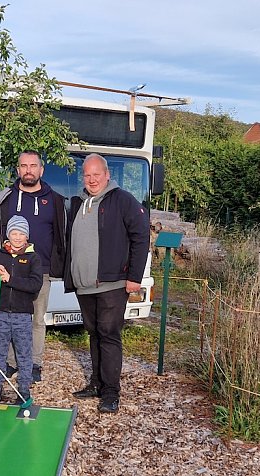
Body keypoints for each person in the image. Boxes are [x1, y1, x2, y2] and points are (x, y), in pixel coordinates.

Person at [66, 154, 150, 414]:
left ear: (106, 175)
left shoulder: (123, 200)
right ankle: (97, 384)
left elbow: (141, 236)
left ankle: (112, 392)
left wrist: (134, 277)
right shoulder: (78, 202)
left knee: (109, 335)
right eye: (87, 175)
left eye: (96, 174)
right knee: (94, 334)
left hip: (112, 283)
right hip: (85, 285)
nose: (92, 179)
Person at [0, 150, 66, 383]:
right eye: (24, 166)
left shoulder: (55, 200)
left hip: (39, 271)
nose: (28, 170)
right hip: (8, 270)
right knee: (9, 317)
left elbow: (61, 234)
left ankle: (33, 363)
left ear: (41, 170)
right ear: (18, 170)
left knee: (35, 320)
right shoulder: (4, 198)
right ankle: (12, 363)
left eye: (33, 166)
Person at [0, 215, 42, 405]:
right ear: (8, 235)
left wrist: (11, 280)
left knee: (23, 353)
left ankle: (23, 389)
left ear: (27, 237)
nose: (17, 238)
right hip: (0, 313)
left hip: (22, 314)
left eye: (21, 234)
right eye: (14, 233)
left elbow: (35, 285)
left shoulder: (33, 257)